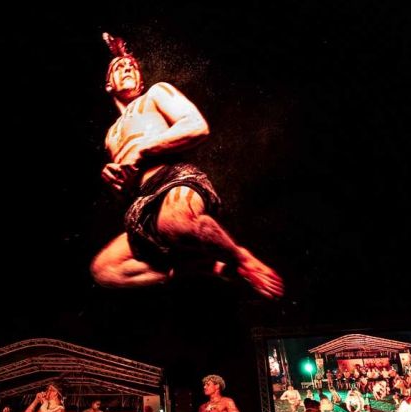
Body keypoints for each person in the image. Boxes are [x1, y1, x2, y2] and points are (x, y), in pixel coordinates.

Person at [90, 32, 283, 300]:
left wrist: (144, 150)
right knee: (105, 270)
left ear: (141, 81)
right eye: (119, 67)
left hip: (173, 181)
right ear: (108, 85)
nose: (127, 68)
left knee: (178, 223)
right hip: (141, 204)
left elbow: (196, 127)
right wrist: (112, 179)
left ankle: (240, 257)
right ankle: (204, 268)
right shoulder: (111, 134)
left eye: (131, 66)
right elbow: (124, 188)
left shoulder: (156, 93)